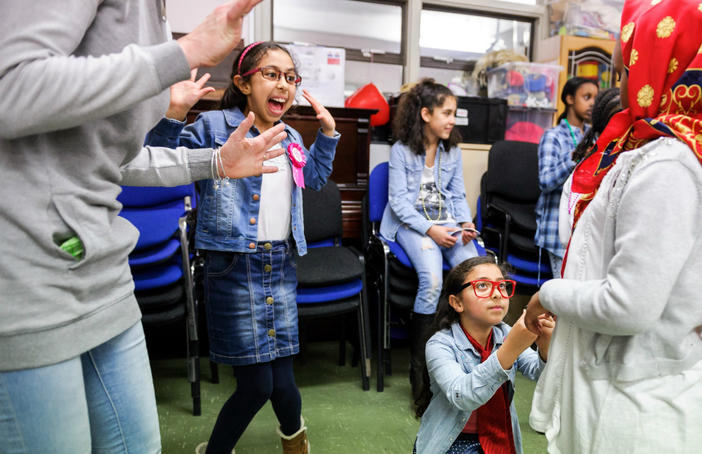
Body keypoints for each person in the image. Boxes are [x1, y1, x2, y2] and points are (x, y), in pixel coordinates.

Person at [0, 1, 288, 453]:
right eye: (272, 74)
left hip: (103, 267)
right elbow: (10, 87)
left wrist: (216, 162)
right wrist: (186, 51)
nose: (283, 84)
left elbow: (112, 156)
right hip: (31, 272)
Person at [145, 41, 338, 454]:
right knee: (257, 384)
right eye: (271, 74)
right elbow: (157, 161)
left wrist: (327, 135)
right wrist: (175, 112)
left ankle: (294, 440)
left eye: (290, 77)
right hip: (233, 267)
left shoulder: (289, 137)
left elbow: (315, 179)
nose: (283, 84)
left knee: (283, 379)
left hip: (280, 264)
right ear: (243, 83)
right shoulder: (216, 127)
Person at [525, 1, 702, 452]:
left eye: (623, 74)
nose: (619, 87)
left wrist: (549, 294)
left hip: (634, 403)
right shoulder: (659, 151)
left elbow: (629, 305)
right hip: (628, 385)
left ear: (665, 70)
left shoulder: (668, 165)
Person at [379, 79, 480, 401]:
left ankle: (466, 358)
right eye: (446, 112)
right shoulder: (400, 150)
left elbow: (457, 194)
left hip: (446, 222)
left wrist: (465, 222)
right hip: (410, 226)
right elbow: (399, 203)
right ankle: (419, 374)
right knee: (434, 280)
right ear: (425, 114)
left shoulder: (452, 150)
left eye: (454, 113)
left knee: (475, 272)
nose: (452, 119)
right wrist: (430, 230)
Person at [413, 256, 554, 454]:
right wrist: (510, 349)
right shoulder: (440, 344)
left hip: (499, 437)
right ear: (457, 302)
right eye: (482, 286)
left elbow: (537, 372)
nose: (497, 294)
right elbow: (463, 396)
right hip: (452, 443)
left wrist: (545, 346)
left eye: (502, 286)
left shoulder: (504, 332)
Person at [534, 77, 598, 278]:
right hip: (558, 227)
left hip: (586, 225)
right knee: (565, 289)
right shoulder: (553, 136)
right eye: (586, 97)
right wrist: (576, 159)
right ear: (569, 99)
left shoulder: (595, 137)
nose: (592, 104)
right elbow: (545, 181)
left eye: (595, 98)